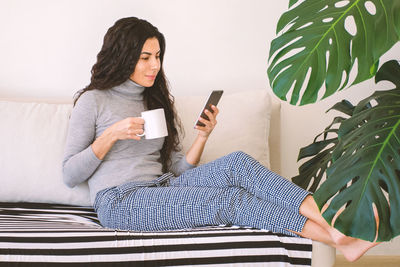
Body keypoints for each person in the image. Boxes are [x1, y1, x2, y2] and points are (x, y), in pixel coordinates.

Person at [62, 17, 378, 262]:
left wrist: (202, 137)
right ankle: (336, 237)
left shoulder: (153, 100)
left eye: (158, 56)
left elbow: (175, 168)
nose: (155, 65)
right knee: (229, 201)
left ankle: (337, 223)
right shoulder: (93, 101)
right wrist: (112, 134)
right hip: (120, 201)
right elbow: (70, 174)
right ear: (122, 56)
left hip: (162, 185)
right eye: (145, 58)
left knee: (238, 164)